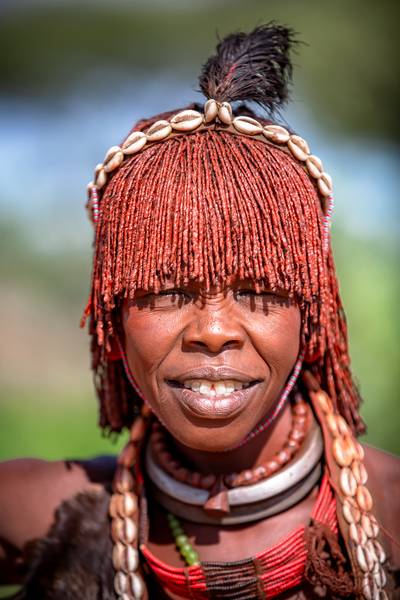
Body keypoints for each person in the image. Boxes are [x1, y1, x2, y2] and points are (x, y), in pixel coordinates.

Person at [0, 24, 399, 600]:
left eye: (261, 291)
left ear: (312, 320)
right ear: (111, 325)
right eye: (166, 292)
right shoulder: (36, 511)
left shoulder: (391, 511)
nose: (214, 332)